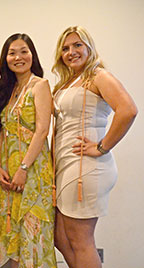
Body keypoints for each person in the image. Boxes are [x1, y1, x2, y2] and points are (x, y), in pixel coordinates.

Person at [52, 26, 137, 268]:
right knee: (61, 237)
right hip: (67, 166)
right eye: (65, 48)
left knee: (81, 240)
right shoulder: (68, 82)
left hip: (86, 169)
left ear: (89, 47)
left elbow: (128, 110)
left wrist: (101, 147)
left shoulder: (98, 76)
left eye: (77, 45)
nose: (71, 52)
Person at [0, 33, 56, 268]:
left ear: (32, 55)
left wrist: (24, 168)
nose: (18, 57)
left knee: (33, 232)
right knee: (10, 233)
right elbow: (1, 131)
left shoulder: (40, 85)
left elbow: (42, 131)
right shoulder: (7, 89)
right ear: (5, 58)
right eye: (12, 52)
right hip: (8, 174)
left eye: (23, 51)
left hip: (33, 172)